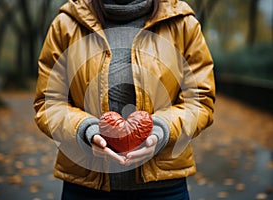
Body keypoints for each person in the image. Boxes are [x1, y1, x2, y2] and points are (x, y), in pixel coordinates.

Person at [33, 0, 216, 199]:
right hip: (85, 186)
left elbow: (200, 100)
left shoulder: (182, 23)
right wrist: (86, 130)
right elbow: (48, 101)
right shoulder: (66, 23)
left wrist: (161, 131)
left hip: (164, 187)